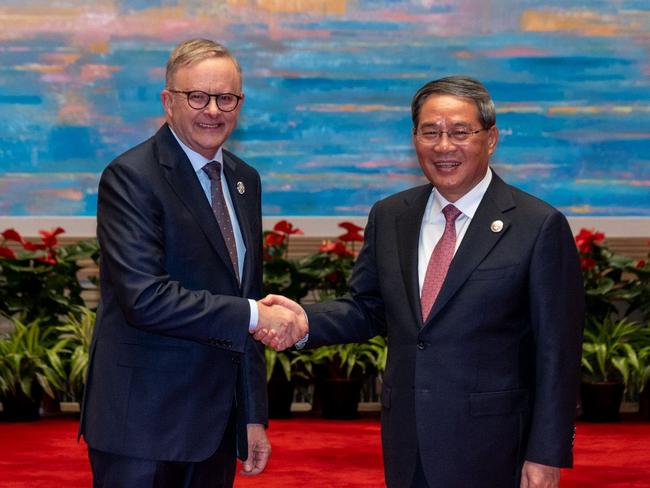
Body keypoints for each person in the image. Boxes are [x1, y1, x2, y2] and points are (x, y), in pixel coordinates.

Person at [260, 76, 584, 488]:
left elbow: (558, 352)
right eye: (430, 132)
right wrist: (304, 320)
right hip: (407, 443)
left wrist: (546, 453)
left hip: (496, 448)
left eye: (460, 132)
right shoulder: (392, 215)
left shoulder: (538, 226)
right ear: (414, 138)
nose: (444, 146)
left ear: (491, 138)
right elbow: (368, 307)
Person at [79, 39, 307, 487]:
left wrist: (252, 415)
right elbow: (145, 298)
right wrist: (256, 315)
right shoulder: (131, 177)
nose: (213, 111)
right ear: (169, 102)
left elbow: (245, 291)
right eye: (197, 97)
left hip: (215, 428)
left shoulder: (244, 180)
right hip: (142, 428)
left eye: (226, 98)